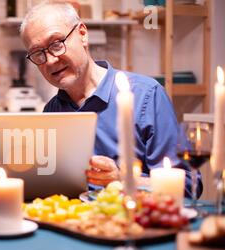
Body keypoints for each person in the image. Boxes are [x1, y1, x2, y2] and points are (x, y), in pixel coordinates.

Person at [20, 1, 201, 197]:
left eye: (56, 44)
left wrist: (123, 179)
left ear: (82, 34)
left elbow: (188, 186)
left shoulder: (147, 96)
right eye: (38, 53)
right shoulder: (51, 112)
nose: (51, 60)